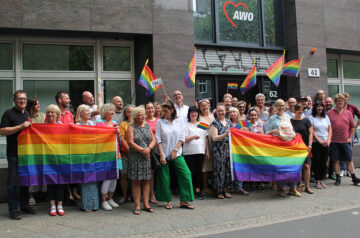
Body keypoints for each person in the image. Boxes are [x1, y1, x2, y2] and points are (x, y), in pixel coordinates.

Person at [0, 90, 35, 220]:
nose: (22, 101)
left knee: (25, 180)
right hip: (13, 153)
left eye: (24, 99)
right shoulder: (8, 114)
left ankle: (25, 205)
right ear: (14, 100)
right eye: (20, 99)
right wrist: (21, 126)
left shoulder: (26, 114)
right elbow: (2, 131)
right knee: (13, 183)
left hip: (25, 154)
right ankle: (13, 209)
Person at [155, 100, 194, 209]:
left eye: (166, 111)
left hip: (177, 153)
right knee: (164, 177)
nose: (163, 113)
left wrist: (175, 150)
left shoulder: (180, 121)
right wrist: (161, 154)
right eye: (162, 111)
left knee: (186, 174)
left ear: (172, 110)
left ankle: (184, 200)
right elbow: (158, 138)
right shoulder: (160, 122)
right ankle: (168, 200)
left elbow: (182, 137)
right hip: (164, 153)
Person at [266, 99, 300, 197]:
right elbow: (267, 132)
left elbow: (291, 130)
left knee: (293, 166)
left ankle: (293, 188)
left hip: (289, 145)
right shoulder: (272, 118)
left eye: (282, 105)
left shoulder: (289, 117)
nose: (281, 107)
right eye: (279, 105)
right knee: (280, 168)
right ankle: (280, 188)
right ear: (276, 107)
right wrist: (272, 132)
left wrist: (294, 134)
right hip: (277, 146)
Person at [126, 106, 156, 215]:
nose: (143, 116)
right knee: (136, 181)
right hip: (136, 158)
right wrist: (143, 150)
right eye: (140, 115)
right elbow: (130, 142)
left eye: (143, 114)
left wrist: (149, 149)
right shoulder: (131, 127)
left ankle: (146, 204)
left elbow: (153, 139)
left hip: (146, 158)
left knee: (147, 180)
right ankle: (137, 205)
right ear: (135, 116)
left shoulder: (147, 126)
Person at [327, 94, 360, 185]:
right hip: (334, 141)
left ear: (344, 102)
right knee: (336, 160)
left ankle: (354, 177)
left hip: (346, 141)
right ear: (335, 102)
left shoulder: (348, 113)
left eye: (342, 101)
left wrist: (350, 138)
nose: (341, 103)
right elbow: (327, 127)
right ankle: (338, 178)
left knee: (349, 159)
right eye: (339, 101)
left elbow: (353, 127)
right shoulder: (329, 113)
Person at [75, 104, 99, 212]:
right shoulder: (77, 125)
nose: (88, 112)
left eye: (89, 111)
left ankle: (94, 204)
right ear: (80, 113)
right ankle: (86, 205)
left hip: (92, 154)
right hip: (82, 154)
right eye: (86, 111)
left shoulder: (92, 123)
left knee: (93, 179)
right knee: (85, 179)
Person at [96, 103, 120, 210]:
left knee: (115, 177)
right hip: (105, 153)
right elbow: (98, 138)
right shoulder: (100, 123)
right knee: (107, 177)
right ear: (105, 112)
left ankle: (110, 198)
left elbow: (118, 139)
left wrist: (118, 133)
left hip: (115, 152)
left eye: (113, 110)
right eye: (110, 110)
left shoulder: (115, 123)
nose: (112, 112)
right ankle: (103, 200)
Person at [183, 106, 209, 200]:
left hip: (200, 151)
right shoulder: (185, 125)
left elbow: (206, 139)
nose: (194, 114)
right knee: (190, 172)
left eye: (195, 112)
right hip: (188, 152)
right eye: (192, 112)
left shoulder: (202, 124)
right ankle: (190, 190)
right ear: (189, 114)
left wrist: (207, 151)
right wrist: (193, 137)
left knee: (198, 171)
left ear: (198, 114)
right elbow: (183, 139)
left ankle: (198, 190)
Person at [45, 104, 66, 216]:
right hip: (48, 159)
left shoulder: (62, 126)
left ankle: (60, 205)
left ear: (57, 115)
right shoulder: (43, 127)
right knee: (50, 183)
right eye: (48, 112)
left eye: (53, 112)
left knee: (60, 182)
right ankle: (52, 206)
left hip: (60, 158)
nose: (50, 114)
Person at [26, 98, 46, 206]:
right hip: (31, 147)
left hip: (42, 147)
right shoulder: (26, 117)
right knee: (31, 171)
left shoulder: (42, 116)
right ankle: (30, 196)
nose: (39, 106)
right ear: (31, 106)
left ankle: (42, 194)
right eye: (36, 104)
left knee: (41, 170)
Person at [290, 104, 314, 194]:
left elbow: (311, 133)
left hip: (305, 147)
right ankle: (299, 185)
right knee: (298, 167)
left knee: (307, 166)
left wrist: (310, 145)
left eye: (301, 110)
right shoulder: (290, 121)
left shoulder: (306, 121)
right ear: (294, 111)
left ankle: (307, 186)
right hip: (295, 147)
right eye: (298, 110)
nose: (300, 112)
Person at [210, 103, 232, 199]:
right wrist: (225, 134)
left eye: (222, 110)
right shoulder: (214, 123)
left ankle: (226, 189)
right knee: (219, 170)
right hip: (218, 150)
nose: (220, 112)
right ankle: (219, 191)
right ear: (216, 112)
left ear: (225, 111)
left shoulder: (229, 122)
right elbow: (214, 138)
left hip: (228, 149)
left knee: (227, 169)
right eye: (218, 111)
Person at [310, 102, 332, 189]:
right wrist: (319, 141)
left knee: (324, 161)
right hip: (316, 143)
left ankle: (321, 180)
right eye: (318, 106)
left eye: (321, 106)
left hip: (326, 142)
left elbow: (330, 129)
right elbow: (312, 131)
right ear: (315, 108)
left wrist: (329, 140)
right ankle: (317, 180)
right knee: (317, 162)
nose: (320, 108)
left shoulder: (326, 117)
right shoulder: (312, 118)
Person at [228, 107, 249, 195]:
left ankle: (239, 186)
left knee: (241, 167)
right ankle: (232, 186)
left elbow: (248, 135)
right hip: (230, 148)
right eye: (231, 112)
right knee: (231, 167)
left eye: (234, 112)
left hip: (240, 148)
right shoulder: (227, 123)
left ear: (238, 113)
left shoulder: (243, 124)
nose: (233, 114)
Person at [119, 104, 135, 203]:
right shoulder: (123, 124)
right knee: (124, 175)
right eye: (129, 111)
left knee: (134, 175)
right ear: (125, 113)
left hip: (136, 154)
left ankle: (134, 195)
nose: (131, 113)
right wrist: (129, 150)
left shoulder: (138, 123)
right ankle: (125, 195)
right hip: (125, 153)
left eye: (132, 111)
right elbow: (122, 139)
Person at [198, 99, 215, 195]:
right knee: (205, 166)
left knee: (212, 166)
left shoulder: (211, 116)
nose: (205, 107)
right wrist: (206, 149)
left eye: (206, 105)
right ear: (199, 108)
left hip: (213, 142)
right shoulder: (199, 118)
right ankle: (205, 187)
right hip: (205, 143)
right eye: (202, 106)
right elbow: (203, 134)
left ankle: (212, 185)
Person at [144, 102, 159, 204]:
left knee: (158, 172)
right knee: (151, 173)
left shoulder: (159, 120)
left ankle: (158, 192)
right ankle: (151, 194)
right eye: (148, 108)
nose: (150, 110)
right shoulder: (144, 121)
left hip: (159, 149)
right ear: (145, 110)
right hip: (149, 149)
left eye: (151, 108)